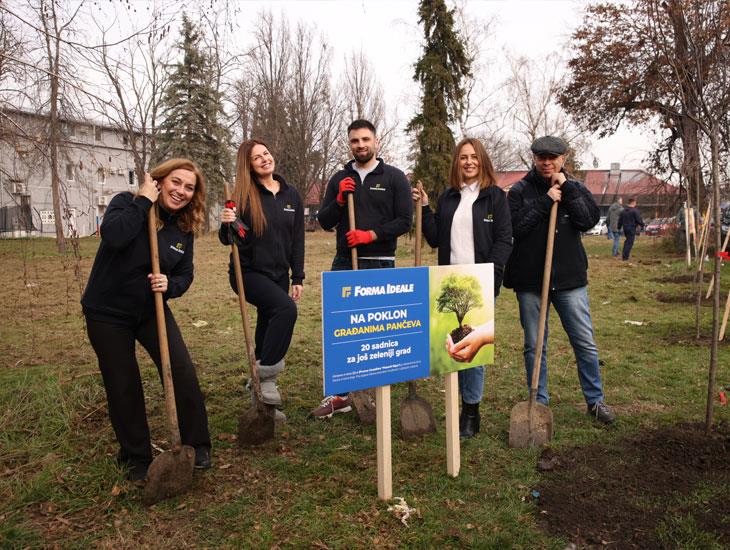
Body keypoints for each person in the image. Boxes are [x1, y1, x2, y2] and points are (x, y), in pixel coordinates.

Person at [81, 158, 211, 481]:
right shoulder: (127, 204)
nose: (181, 191)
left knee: (180, 368)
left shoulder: (183, 228)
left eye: (189, 187)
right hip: (107, 311)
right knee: (123, 382)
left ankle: (198, 444)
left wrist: (171, 285)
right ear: (160, 180)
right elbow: (113, 235)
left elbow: (185, 274)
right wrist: (143, 201)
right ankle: (136, 457)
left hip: (149, 309)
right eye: (176, 182)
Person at [503, 136, 616, 424]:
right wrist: (545, 202)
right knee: (534, 344)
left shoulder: (575, 188)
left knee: (584, 342)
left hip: (569, 281)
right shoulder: (519, 191)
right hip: (531, 281)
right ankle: (538, 401)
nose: (546, 162)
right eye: (541, 156)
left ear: (563, 158)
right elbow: (515, 228)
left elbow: (588, 220)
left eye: (552, 157)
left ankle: (595, 400)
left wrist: (566, 188)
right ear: (534, 158)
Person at [311, 119, 413, 418]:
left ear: (376, 141)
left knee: (376, 329)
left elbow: (405, 220)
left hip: (380, 262)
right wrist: (340, 200)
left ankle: (373, 391)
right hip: (346, 261)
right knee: (341, 329)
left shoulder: (394, 178)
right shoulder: (338, 178)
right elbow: (325, 220)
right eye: (355, 141)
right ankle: (341, 395)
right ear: (349, 144)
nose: (361, 145)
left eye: (365, 139)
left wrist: (371, 235)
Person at [414, 137, 512, 438]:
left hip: (480, 281)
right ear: (457, 163)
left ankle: (471, 411)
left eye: (473, 157)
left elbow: (504, 240)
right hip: (450, 281)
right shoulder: (448, 197)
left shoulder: (494, 197)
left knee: (475, 351)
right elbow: (435, 238)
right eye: (462, 157)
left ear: (482, 161)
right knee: (453, 346)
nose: (468, 162)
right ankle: (454, 403)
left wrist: (491, 276)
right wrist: (427, 207)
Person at [219, 140, 304, 423]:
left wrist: (298, 276)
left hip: (280, 274)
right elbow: (230, 238)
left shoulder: (291, 195)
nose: (265, 159)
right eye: (257, 158)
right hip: (249, 273)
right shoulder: (243, 197)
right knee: (286, 311)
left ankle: (261, 403)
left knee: (268, 325)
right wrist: (227, 222)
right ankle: (266, 378)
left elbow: (297, 241)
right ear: (249, 166)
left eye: (266, 153)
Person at [617, 197, 644, 261]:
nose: (636, 204)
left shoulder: (623, 211)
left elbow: (620, 220)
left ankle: (624, 255)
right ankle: (625, 257)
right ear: (633, 202)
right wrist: (642, 225)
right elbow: (639, 219)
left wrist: (619, 227)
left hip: (625, 228)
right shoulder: (634, 211)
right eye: (635, 203)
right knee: (629, 243)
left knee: (627, 241)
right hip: (631, 228)